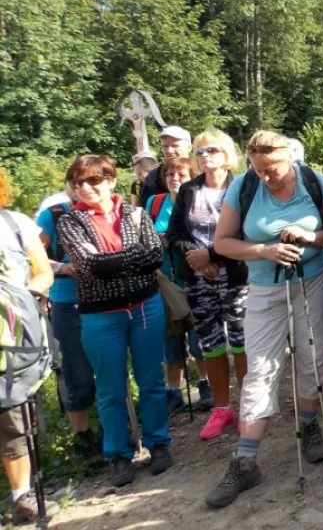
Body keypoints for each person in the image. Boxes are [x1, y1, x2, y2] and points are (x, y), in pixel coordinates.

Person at [205, 130, 323, 508]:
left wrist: (309, 237)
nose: (266, 176)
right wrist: (263, 249)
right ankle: (245, 461)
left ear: (290, 159)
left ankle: (309, 426)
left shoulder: (313, 181)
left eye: (273, 169)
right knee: (260, 370)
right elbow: (222, 242)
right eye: (259, 169)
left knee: (313, 359)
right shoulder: (243, 187)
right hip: (263, 288)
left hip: (310, 282)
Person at [56, 155, 172, 488]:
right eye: (78, 183)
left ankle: (158, 444)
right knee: (111, 390)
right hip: (100, 315)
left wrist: (110, 262)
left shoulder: (136, 214)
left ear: (110, 180)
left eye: (92, 181)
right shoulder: (70, 222)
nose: (85, 188)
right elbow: (90, 264)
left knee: (151, 380)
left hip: (145, 307)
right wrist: (127, 260)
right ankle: (119, 455)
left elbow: (154, 256)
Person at [166, 131, 250, 440]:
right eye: (199, 150)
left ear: (227, 155)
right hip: (198, 279)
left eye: (211, 149)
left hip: (237, 277)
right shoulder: (189, 190)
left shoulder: (243, 187)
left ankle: (247, 408)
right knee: (211, 344)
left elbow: (250, 231)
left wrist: (213, 254)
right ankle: (222, 408)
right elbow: (173, 233)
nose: (204, 155)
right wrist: (196, 256)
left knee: (241, 342)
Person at [0, 167, 60, 524]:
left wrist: (21, 301)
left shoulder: (14, 223)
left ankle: (22, 496)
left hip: (11, 335)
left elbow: (43, 270)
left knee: (12, 415)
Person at [37, 187, 103, 462]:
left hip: (106, 298)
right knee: (79, 372)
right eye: (78, 181)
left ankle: (114, 429)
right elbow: (34, 259)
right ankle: (84, 438)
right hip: (67, 301)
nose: (85, 187)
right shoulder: (52, 215)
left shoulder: (107, 212)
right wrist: (63, 268)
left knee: (110, 368)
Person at [145, 157, 213, 417]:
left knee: (198, 338)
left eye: (181, 174)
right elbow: (142, 234)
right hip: (164, 280)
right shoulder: (155, 203)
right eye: (170, 174)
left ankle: (205, 383)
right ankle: (173, 392)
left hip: (193, 276)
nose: (174, 178)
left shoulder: (196, 200)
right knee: (170, 340)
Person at [139, 126, 191, 204]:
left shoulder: (201, 173)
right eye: (165, 146)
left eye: (175, 146)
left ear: (189, 148)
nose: (169, 151)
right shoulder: (153, 177)